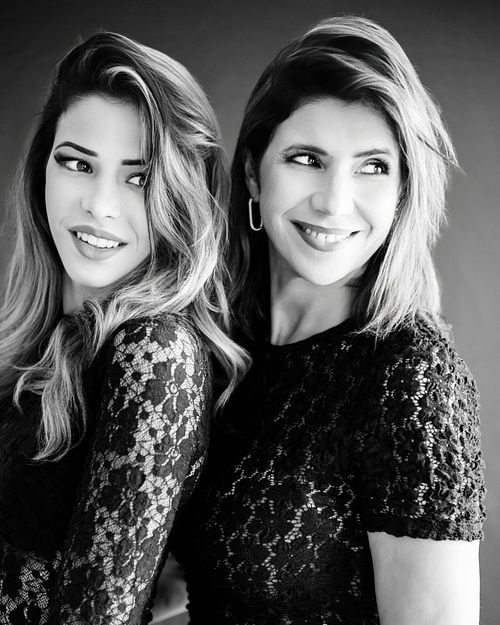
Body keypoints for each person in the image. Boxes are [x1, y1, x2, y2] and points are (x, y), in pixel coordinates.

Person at [169, 15, 486, 625]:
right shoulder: (218, 345)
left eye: (373, 166)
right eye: (307, 158)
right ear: (253, 173)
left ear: (402, 192)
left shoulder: (410, 376)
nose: (335, 201)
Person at [0, 31, 246, 624]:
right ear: (42, 171)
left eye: (139, 178)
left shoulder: (154, 356)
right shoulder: (33, 340)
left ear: (181, 197)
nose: (100, 204)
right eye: (77, 163)